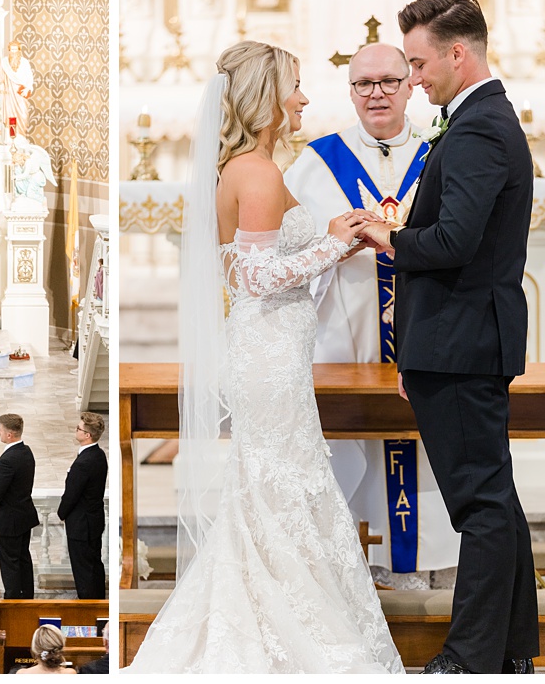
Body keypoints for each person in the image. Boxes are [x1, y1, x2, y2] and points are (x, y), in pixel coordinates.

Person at [125, 41, 403, 674]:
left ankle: (266, 608)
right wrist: (334, 244)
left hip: (274, 349)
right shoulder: (256, 172)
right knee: (282, 485)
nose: (304, 98)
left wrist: (341, 244)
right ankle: (279, 626)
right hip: (268, 353)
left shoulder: (249, 167)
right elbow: (251, 277)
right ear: (266, 97)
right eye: (295, 86)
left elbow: (261, 265)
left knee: (273, 489)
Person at [360, 0, 538, 675]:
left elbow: (454, 240)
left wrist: (389, 235)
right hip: (459, 339)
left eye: (415, 62)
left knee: (480, 508)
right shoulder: (477, 121)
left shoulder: (477, 128)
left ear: (455, 54)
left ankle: (469, 661)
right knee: (495, 500)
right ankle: (508, 652)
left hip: (461, 343)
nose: (411, 78)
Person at [285, 42, 460, 586]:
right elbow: (287, 251)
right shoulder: (317, 160)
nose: (377, 93)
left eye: (389, 81)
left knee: (432, 445)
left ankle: (426, 562)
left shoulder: (446, 151)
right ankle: (350, 570)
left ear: (411, 84)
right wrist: (334, 242)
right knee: (348, 444)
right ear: (351, 91)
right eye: (364, 84)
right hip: (348, 333)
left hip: (430, 326)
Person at [0, 413, 38, 600]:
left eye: (0, 430)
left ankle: (12, 603)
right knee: (23, 559)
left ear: (9, 435)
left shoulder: (8, 460)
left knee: (10, 565)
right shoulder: (26, 451)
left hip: (9, 520)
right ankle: (26, 599)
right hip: (24, 516)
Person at [57, 412, 107, 600]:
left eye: (79, 429)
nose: (76, 431)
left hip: (81, 524)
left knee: (83, 569)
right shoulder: (99, 454)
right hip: (93, 520)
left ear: (87, 435)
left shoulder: (84, 463)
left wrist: (61, 513)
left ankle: (88, 606)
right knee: (94, 565)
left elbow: (72, 494)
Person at [0, 40, 34, 142]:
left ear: (19, 50)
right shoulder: (4, 63)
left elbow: (30, 78)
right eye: (11, 50)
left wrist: (28, 88)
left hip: (20, 95)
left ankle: (20, 136)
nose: (13, 52)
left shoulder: (25, 63)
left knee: (22, 115)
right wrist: (0, 86)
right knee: (9, 116)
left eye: (15, 50)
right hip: (8, 95)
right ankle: (11, 138)